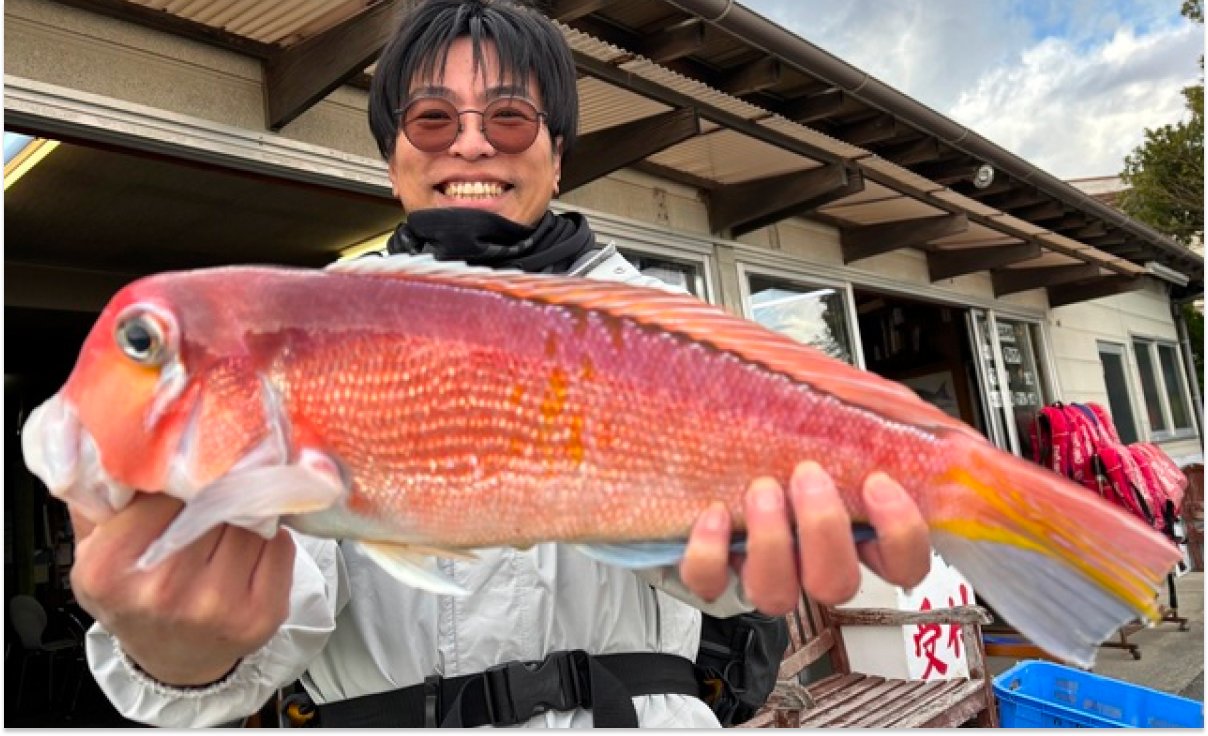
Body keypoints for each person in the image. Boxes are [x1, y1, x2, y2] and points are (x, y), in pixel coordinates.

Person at [68, 0, 932, 727]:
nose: (471, 145)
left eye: (511, 116)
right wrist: (181, 651)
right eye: (432, 117)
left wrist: (765, 560)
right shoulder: (298, 335)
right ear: (394, 155)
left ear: (557, 152)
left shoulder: (679, 339)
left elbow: (726, 580)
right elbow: (269, 624)